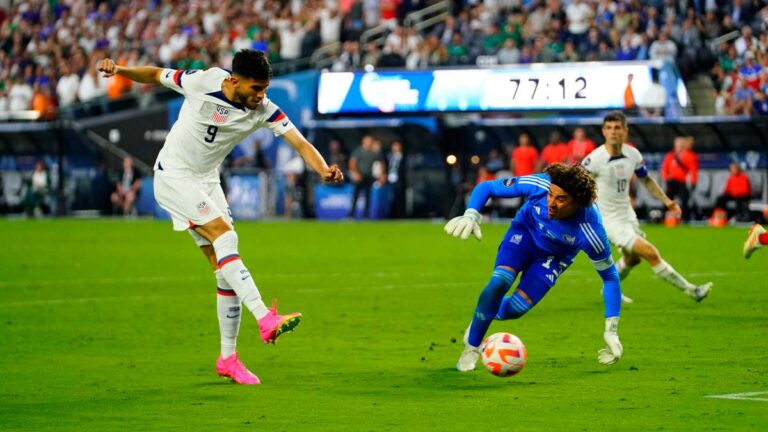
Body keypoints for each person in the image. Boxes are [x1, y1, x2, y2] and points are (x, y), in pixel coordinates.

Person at [96, 49, 343, 385]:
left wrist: (323, 170)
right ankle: (264, 317)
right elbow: (156, 75)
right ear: (233, 81)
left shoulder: (263, 109)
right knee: (226, 236)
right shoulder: (202, 82)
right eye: (256, 89)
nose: (261, 96)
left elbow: (299, 142)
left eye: (265, 89)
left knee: (224, 269)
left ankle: (228, 358)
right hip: (174, 175)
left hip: (207, 181)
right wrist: (120, 68)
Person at [445, 163, 625, 371]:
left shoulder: (590, 231)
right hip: (524, 234)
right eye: (550, 195)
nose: (551, 203)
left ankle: (481, 316)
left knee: (515, 309)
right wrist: (471, 214)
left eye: (561, 199)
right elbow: (487, 187)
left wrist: (611, 331)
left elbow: (610, 277)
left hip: (554, 257)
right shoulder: (539, 183)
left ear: (578, 202)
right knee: (500, 281)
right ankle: (472, 346)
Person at [582, 112, 712, 304]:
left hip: (627, 214)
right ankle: (692, 291)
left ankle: (608, 290)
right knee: (650, 252)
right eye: (608, 128)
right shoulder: (594, 159)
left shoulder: (633, 155)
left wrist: (667, 201)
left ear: (625, 131)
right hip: (608, 220)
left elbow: (646, 180)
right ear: (603, 131)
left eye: (617, 127)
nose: (613, 132)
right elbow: (575, 183)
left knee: (633, 259)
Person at [661, 136, 699, 221]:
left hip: (683, 182)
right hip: (671, 181)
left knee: (685, 200)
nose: (681, 146)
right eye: (679, 144)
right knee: (667, 199)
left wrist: (693, 182)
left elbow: (693, 170)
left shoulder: (690, 155)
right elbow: (664, 168)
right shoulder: (670, 155)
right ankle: (664, 217)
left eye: (682, 144)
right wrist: (666, 178)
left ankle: (684, 219)